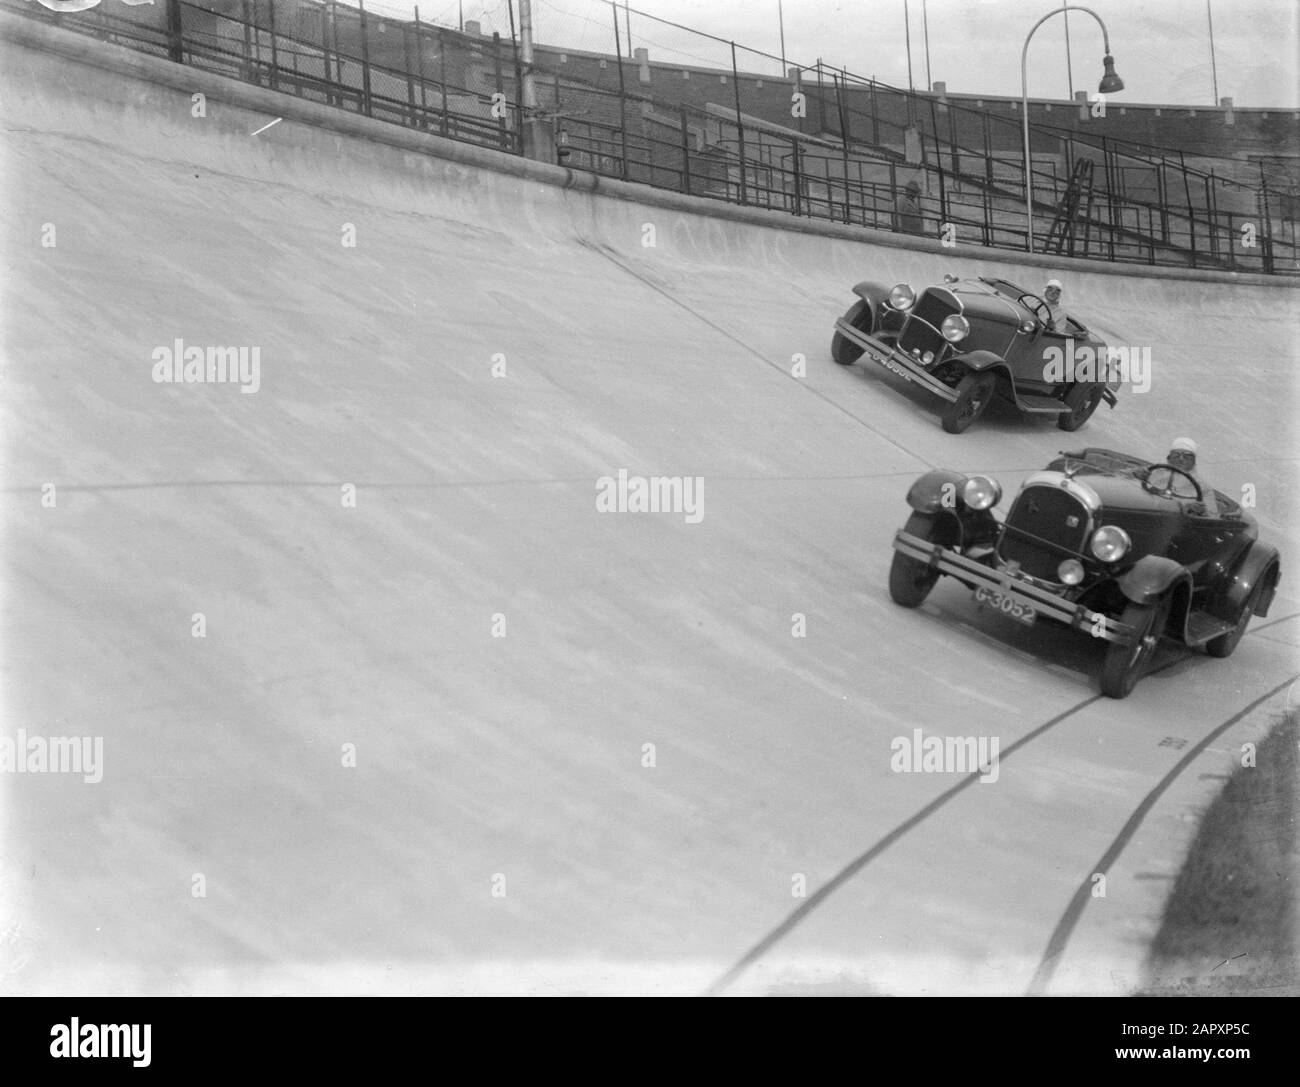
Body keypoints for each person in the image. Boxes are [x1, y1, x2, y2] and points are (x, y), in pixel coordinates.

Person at [1166, 437, 1219, 516]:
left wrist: (1200, 510)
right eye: (1176, 455)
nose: (1181, 459)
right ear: (1169, 458)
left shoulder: (1203, 487)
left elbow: (1212, 515)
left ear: (1193, 461)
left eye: (1187, 456)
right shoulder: (1153, 474)